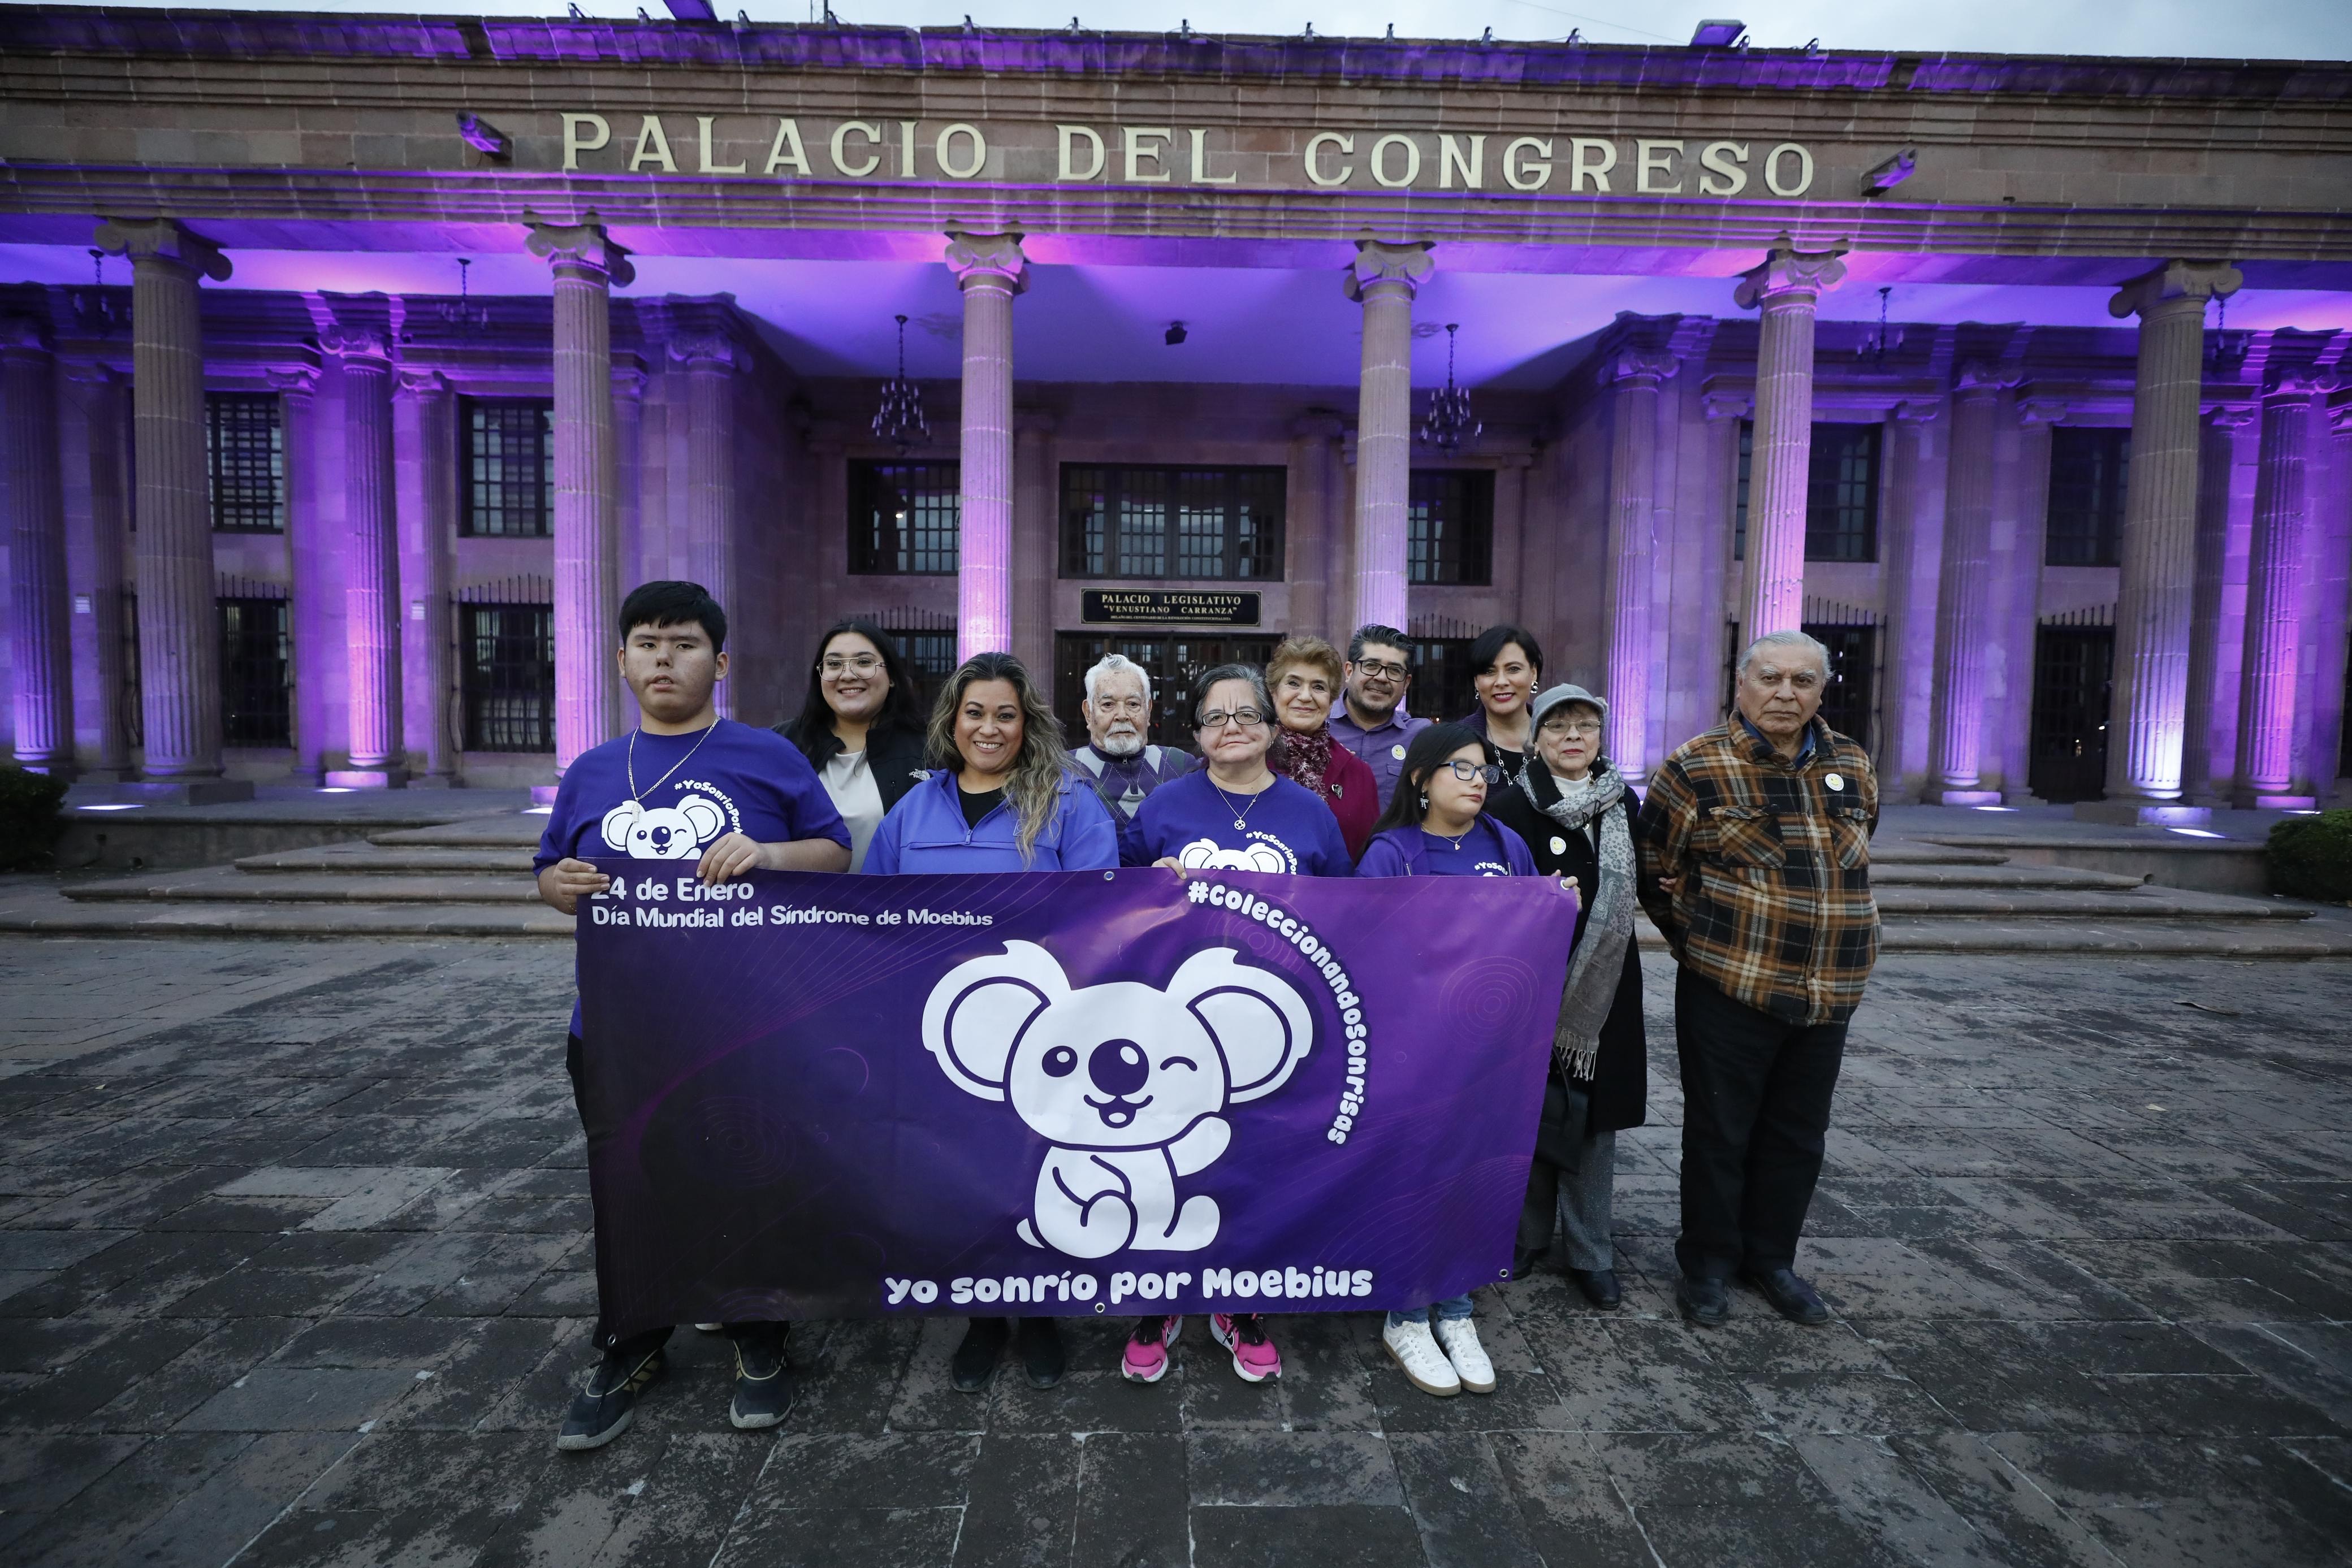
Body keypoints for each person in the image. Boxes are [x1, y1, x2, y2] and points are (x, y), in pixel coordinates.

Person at [534, 580, 852, 1452]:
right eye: (646, 643)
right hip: (620, 1026)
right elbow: (552, 870)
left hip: (745, 1020)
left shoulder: (766, 757)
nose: (663, 658)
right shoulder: (594, 769)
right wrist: (556, 886)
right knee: (629, 1179)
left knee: (749, 1172)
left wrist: (772, 851)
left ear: (720, 661)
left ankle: (760, 1336)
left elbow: (834, 851)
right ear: (623, 659)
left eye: (681, 643)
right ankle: (632, 1341)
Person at [863, 649, 1118, 1392]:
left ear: (1026, 722)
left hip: (1044, 1036)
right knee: (961, 1177)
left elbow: (1103, 912)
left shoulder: (1069, 800)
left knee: (1033, 1175)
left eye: (1005, 712)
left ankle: (1038, 1311)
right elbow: (874, 916)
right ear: (952, 719)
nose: (989, 726)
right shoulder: (914, 809)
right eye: (975, 711)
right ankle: (981, 1316)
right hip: (939, 1034)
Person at [1116, 662, 1352, 1387]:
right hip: (1171, 1027)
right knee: (1163, 1157)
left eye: (1245, 714)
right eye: (1215, 718)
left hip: (1273, 1020)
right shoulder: (1161, 806)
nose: (1231, 728)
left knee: (1253, 1159)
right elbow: (1107, 904)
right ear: (1194, 734)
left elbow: (1348, 913)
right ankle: (1156, 1298)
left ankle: (1239, 1296)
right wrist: (1149, 883)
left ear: (1272, 728)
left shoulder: (1309, 811)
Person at [1637, 630, 1879, 1331]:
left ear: (1820, 690)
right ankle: (1707, 1263)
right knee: (1720, 1131)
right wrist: (1704, 940)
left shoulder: (1852, 764)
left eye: (1802, 681)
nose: (1785, 693)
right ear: (1740, 684)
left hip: (1827, 988)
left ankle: (1771, 1258)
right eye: (1770, 677)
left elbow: (1854, 862)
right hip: (1729, 986)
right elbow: (1656, 867)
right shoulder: (1695, 767)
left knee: (1798, 1134)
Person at [1356, 724, 1530, 1396]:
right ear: (1419, 778)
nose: (1476, 779)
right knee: (1413, 1172)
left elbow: (1527, 937)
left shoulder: (1503, 844)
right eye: (1459, 767)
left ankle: (1456, 1308)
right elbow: (1367, 951)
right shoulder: (1390, 852)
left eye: (1483, 769)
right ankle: (1404, 1310)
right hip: (1410, 1054)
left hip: (1485, 1056)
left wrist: (1557, 902)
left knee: (1470, 1170)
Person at [1485, 685, 1648, 1311]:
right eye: (1558, 727)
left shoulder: (1620, 802)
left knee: (1594, 1117)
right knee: (1528, 1108)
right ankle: (1524, 1238)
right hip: (1532, 976)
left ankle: (1590, 1251)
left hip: (1603, 985)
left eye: (1585, 725)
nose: (1572, 737)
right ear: (1536, 738)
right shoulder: (1508, 804)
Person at [777, 619, 929, 872]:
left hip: (898, 908)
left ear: (892, 677)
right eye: (834, 664)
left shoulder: (930, 750)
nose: (848, 675)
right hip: (803, 908)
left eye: (864, 662)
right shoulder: (781, 745)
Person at [1265, 634, 1380, 861]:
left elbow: (1369, 859)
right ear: (1273, 692)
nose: (1305, 696)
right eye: (1293, 683)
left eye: (1318, 687)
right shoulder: (1247, 760)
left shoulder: (1359, 774)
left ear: (1331, 700)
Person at [1067, 652, 1194, 820]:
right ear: (1088, 713)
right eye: (1108, 705)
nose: (1122, 715)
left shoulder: (1181, 766)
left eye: (1133, 704)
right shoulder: (1063, 771)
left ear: (1148, 710)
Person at [1328, 623, 1431, 813]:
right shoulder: (1318, 726)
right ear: (1349, 671)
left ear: (1406, 683)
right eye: (1371, 666)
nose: (1382, 678)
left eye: (1394, 670)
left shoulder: (1422, 738)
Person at [1461, 625, 1544, 784]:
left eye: (1513, 669)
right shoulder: (1455, 743)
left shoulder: (1557, 739)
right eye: (1489, 672)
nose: (1501, 682)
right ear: (1476, 681)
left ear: (1533, 673)